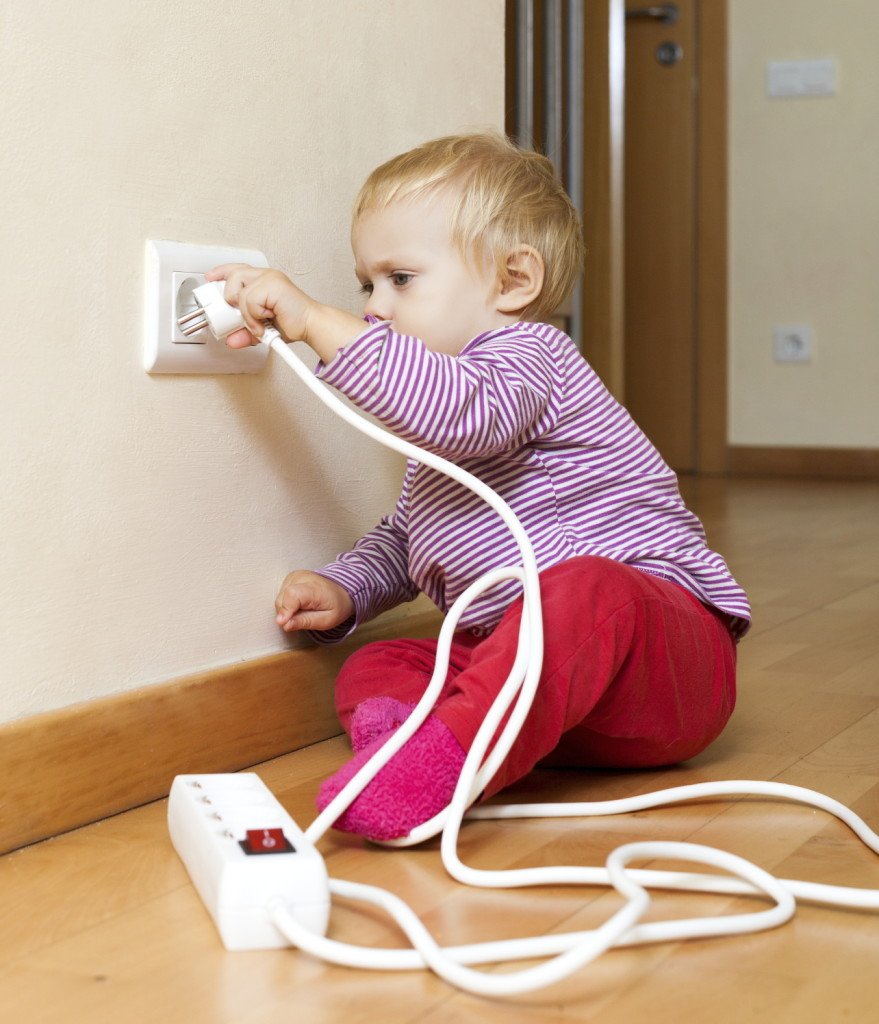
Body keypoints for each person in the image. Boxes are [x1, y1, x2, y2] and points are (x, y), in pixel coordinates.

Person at [207, 131, 750, 842]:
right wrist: (344, 589)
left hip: (656, 665)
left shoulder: (530, 360)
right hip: (547, 700)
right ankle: (428, 740)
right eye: (364, 285)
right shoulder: (437, 431)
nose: (374, 307)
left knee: (588, 588)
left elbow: (456, 411)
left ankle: (440, 765)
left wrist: (313, 320)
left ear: (513, 282)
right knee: (381, 664)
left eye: (400, 279)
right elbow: (410, 537)